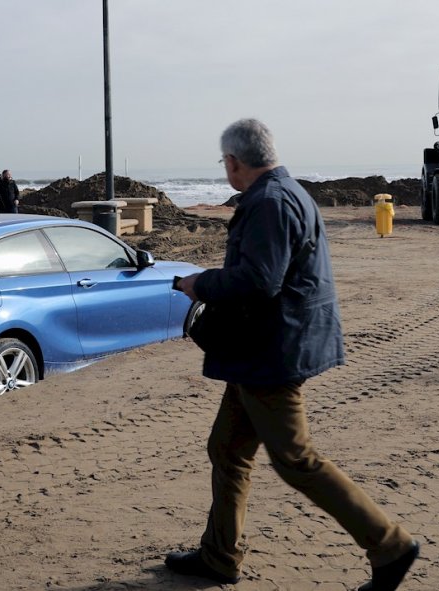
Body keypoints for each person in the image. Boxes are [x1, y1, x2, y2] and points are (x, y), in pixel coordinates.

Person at [168, 119, 419, 591]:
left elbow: (259, 281)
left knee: (296, 459)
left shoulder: (269, 201)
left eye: (225, 163)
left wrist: (199, 283)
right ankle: (219, 557)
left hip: (273, 351)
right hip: (265, 347)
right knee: (227, 448)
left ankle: (390, 545)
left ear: (234, 162)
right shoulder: (283, 192)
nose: (226, 170)